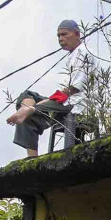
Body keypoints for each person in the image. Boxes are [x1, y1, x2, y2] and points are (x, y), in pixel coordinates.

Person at [7, 19, 94, 158]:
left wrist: (37, 107)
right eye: (58, 36)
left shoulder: (83, 53)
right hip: (64, 101)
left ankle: (31, 156)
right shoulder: (72, 55)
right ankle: (27, 109)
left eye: (64, 34)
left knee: (30, 115)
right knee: (27, 94)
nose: (61, 39)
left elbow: (73, 89)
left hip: (75, 103)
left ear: (77, 34)